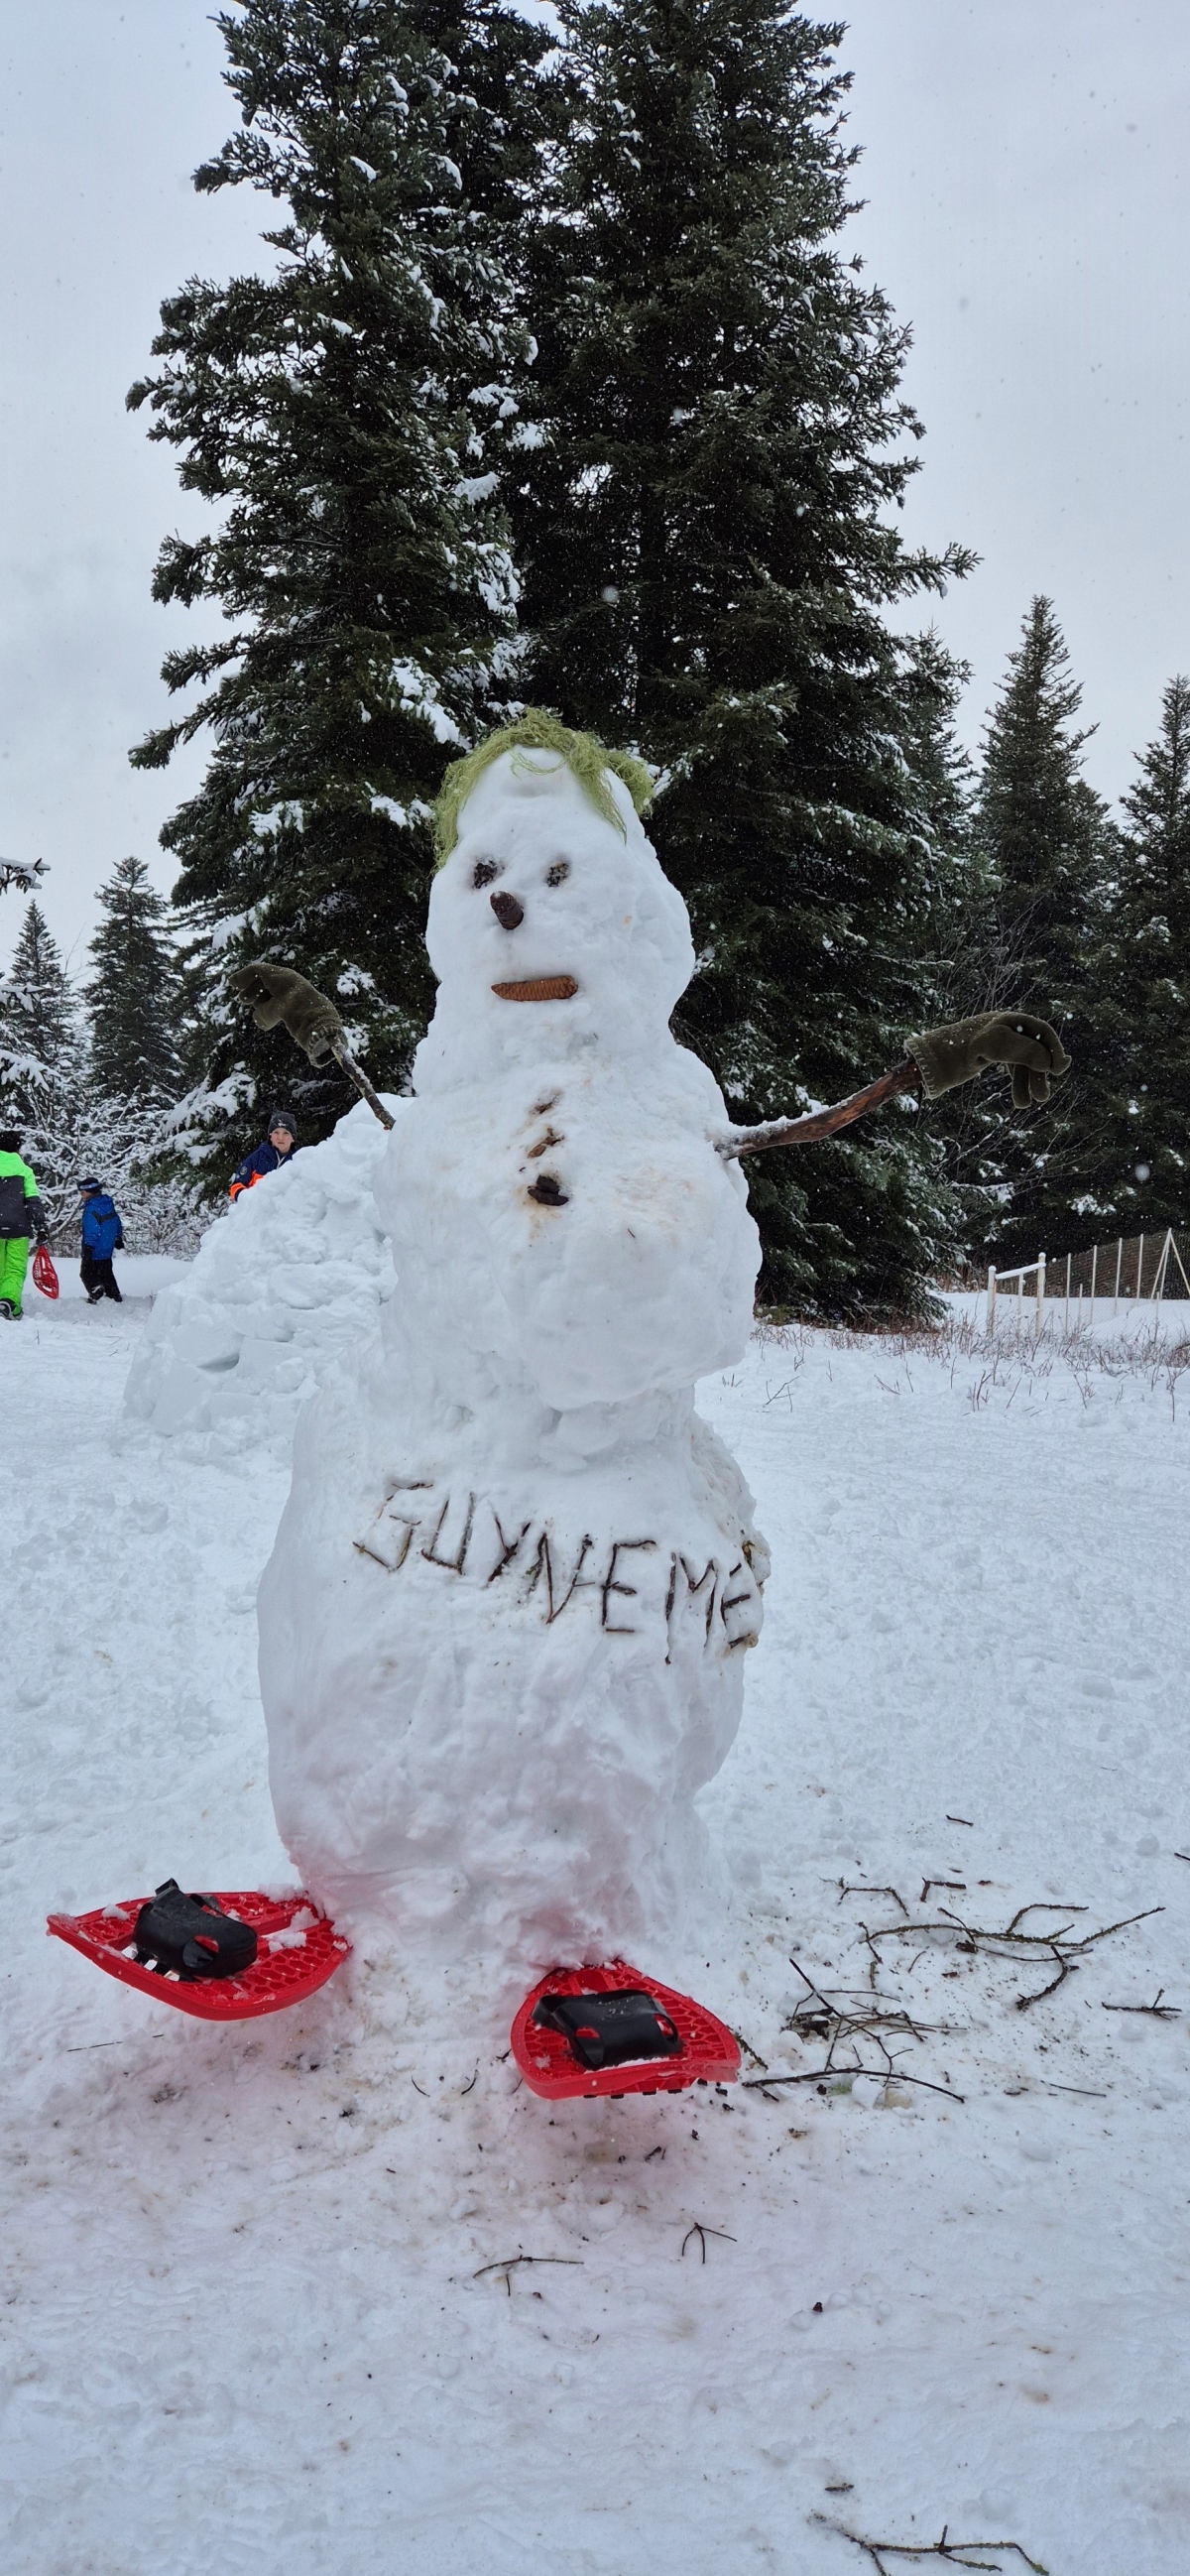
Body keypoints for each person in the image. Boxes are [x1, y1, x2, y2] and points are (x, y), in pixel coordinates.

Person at [0, 1130, 49, 1320]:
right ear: (17, 1149)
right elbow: (33, 1201)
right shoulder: (25, 1171)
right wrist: (41, 1226)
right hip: (18, 1228)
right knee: (15, 1268)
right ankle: (8, 1303)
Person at [229, 1107, 298, 1201]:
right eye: (276, 1132)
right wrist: (248, 1200)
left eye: (286, 1133)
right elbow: (236, 1186)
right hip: (256, 1207)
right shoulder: (258, 1157)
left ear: (293, 1138)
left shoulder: (297, 1161)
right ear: (270, 1136)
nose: (280, 1137)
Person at [77, 1176, 125, 1304]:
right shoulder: (107, 1204)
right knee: (106, 1272)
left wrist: (89, 1248)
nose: (82, 1195)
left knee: (86, 1273)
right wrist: (118, 1237)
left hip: (95, 1248)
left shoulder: (91, 1209)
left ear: (90, 1191)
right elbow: (116, 1221)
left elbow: (92, 1230)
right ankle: (114, 1295)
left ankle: (96, 1292)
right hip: (107, 1247)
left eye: (83, 1192)